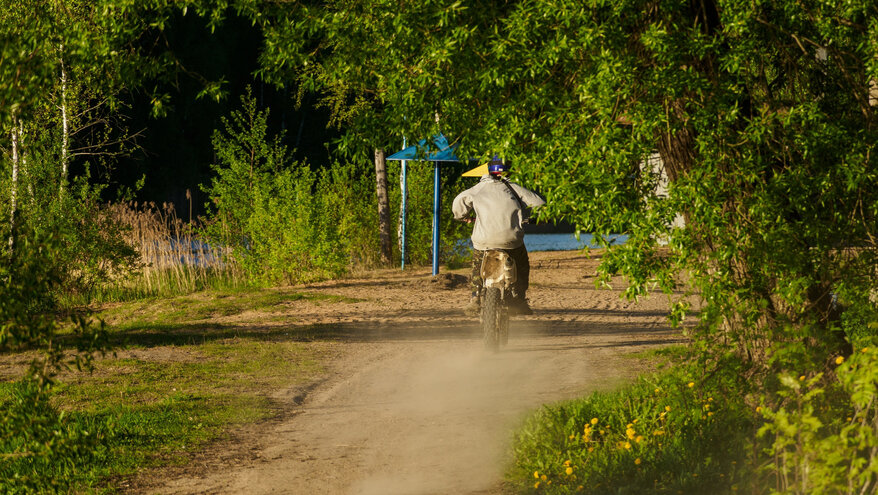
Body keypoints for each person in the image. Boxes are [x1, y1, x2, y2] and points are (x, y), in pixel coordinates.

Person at [452, 155, 546, 316]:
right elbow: (539, 204)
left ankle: (475, 297)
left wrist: (463, 217)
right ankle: (520, 299)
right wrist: (538, 217)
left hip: (484, 241)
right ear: (507, 171)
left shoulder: (477, 189)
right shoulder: (514, 188)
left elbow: (458, 205)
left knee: (477, 264)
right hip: (511, 240)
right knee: (522, 264)